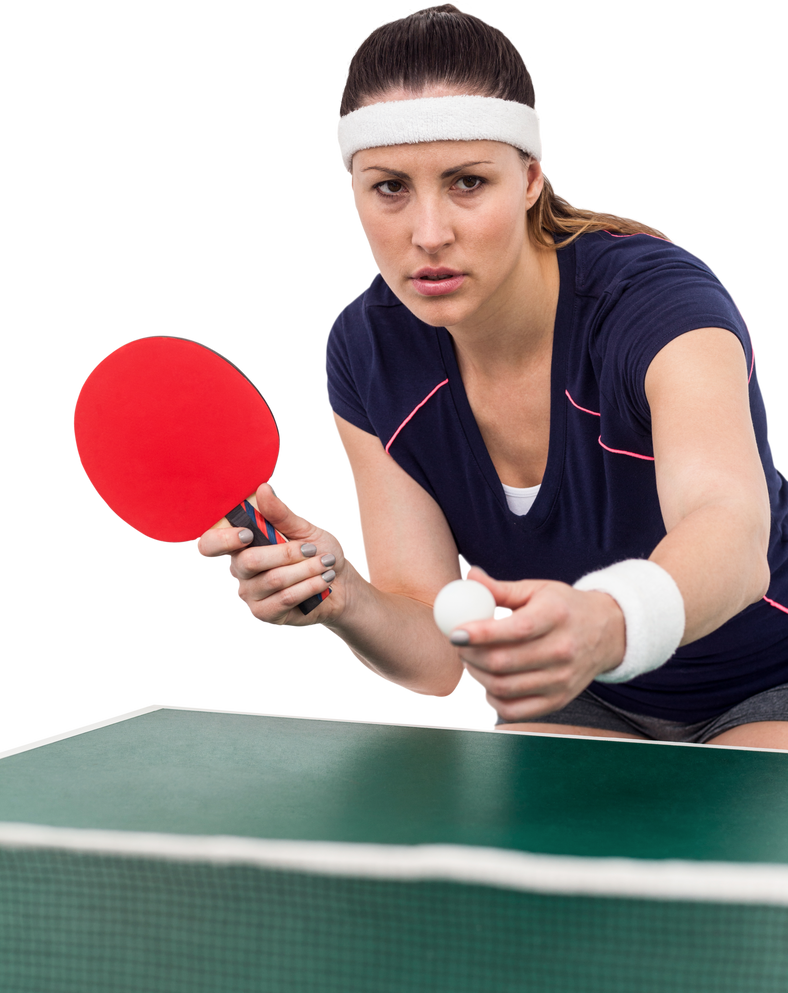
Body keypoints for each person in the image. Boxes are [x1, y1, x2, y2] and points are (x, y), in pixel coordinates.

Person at [196, 3, 787, 748]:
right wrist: (341, 596)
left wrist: (608, 621)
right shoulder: (365, 349)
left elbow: (731, 536)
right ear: (351, 189)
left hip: (768, 679)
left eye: (468, 182)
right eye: (389, 188)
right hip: (578, 698)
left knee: (743, 860)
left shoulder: (662, 302)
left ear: (532, 177)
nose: (430, 233)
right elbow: (437, 656)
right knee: (560, 862)